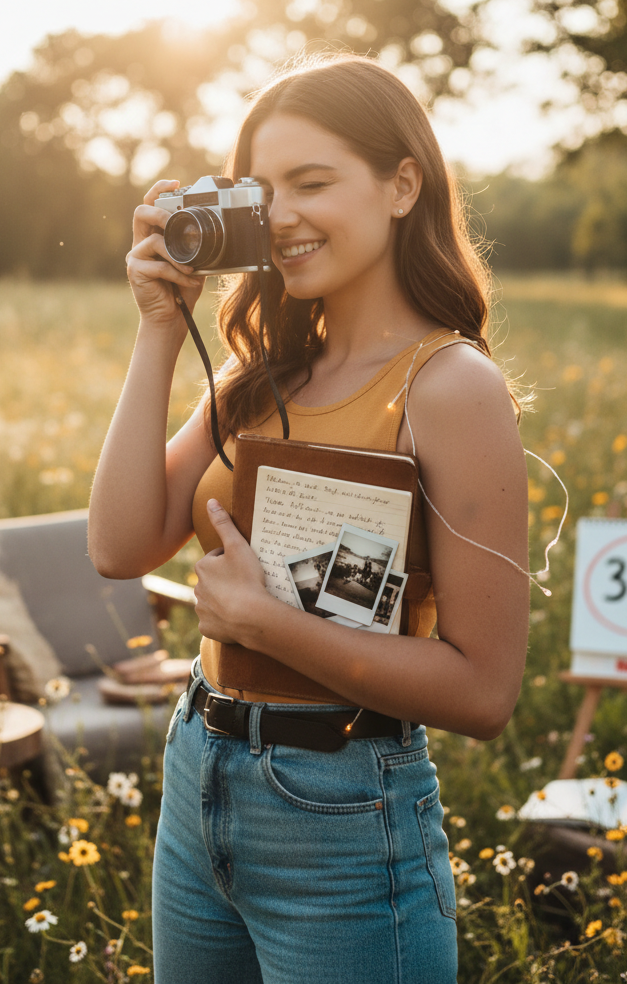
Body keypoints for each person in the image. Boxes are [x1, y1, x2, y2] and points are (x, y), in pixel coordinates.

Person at [88, 54, 530, 984]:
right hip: (198, 771)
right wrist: (161, 327)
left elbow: (484, 693)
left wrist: (265, 622)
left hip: (342, 811)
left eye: (313, 182)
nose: (282, 215)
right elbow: (118, 544)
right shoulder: (263, 377)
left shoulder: (450, 388)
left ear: (402, 183)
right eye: (264, 188)